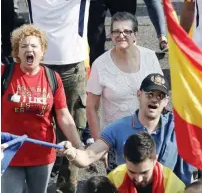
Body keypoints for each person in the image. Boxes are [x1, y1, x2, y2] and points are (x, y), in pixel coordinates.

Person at [1, 0, 149, 193]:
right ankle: (35, 173)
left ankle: (66, 186)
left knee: (72, 125)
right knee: (36, 121)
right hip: (40, 67)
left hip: (73, 69)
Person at [59, 73, 194, 184]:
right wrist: (72, 153)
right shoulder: (118, 128)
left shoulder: (177, 128)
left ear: (166, 101)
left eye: (160, 96)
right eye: (150, 94)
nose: (154, 100)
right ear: (139, 94)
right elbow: (87, 157)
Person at [1, 24, 83, 193]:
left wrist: (78, 144)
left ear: (42, 50)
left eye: (34, 46)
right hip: (8, 153)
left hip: (42, 154)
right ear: (17, 52)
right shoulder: (4, 74)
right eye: (23, 46)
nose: (28, 49)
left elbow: (63, 116)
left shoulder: (53, 78)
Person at [86, 12, 162, 169]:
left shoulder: (150, 57)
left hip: (150, 137)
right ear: (110, 34)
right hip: (116, 140)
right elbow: (91, 108)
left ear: (135, 34)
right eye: (116, 31)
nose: (121, 35)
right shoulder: (100, 65)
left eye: (126, 31)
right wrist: (99, 145)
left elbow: (161, 95)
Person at [109, 132, 185, 192]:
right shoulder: (113, 180)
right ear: (124, 159)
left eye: (144, 172)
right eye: (132, 172)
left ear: (155, 160)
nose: (139, 179)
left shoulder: (175, 188)